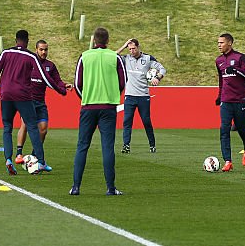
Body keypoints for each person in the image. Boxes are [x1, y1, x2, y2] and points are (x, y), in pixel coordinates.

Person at [0, 29, 58, 175]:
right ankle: (40, 161)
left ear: (16, 40)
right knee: (32, 127)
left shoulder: (6, 53)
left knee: (7, 127)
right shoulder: (30, 56)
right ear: (27, 42)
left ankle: (9, 159)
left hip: (6, 95)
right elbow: (43, 75)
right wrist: (59, 89)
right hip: (23, 96)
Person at [70, 27, 126, 196]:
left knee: (82, 146)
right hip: (108, 106)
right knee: (107, 147)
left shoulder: (84, 56)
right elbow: (123, 81)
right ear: (107, 41)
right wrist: (113, 96)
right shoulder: (115, 57)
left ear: (94, 40)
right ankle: (110, 188)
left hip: (88, 106)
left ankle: (76, 187)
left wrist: (85, 98)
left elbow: (77, 83)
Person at [13, 39, 72, 169]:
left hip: (40, 102)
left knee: (43, 129)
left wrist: (64, 85)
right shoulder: (29, 63)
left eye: (46, 49)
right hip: (27, 101)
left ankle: (35, 156)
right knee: (25, 124)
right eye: (41, 49)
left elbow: (57, 81)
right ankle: (18, 153)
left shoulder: (50, 66)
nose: (44, 52)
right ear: (36, 50)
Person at [117, 37, 166, 154]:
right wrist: (123, 46)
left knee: (146, 121)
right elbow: (112, 56)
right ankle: (126, 145)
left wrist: (157, 78)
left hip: (143, 96)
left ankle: (152, 145)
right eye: (129, 49)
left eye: (133, 48)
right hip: (129, 95)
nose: (132, 51)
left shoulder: (148, 58)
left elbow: (162, 69)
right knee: (127, 121)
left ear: (138, 47)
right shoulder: (126, 58)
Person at [215, 33, 245, 172]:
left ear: (230, 43)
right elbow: (221, 80)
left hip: (241, 100)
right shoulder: (218, 60)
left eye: (222, 42)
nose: (219, 45)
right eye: (218, 43)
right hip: (226, 101)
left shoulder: (240, 57)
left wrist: (236, 70)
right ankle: (228, 161)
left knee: (241, 128)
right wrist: (219, 96)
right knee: (224, 129)